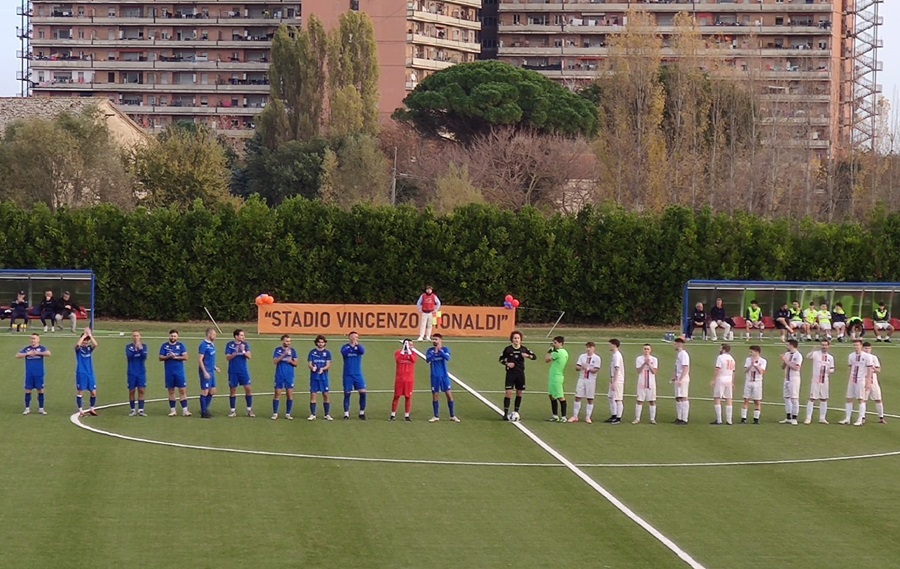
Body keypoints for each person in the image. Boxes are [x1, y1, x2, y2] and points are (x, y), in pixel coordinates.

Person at [499, 330, 536, 420]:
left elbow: (534, 357)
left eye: (518, 338)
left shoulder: (524, 349)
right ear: (512, 339)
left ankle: (516, 411)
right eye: (515, 338)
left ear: (520, 339)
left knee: (519, 392)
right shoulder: (508, 349)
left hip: (520, 374)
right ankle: (505, 413)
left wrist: (528, 356)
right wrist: (507, 364)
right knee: (508, 393)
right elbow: (501, 359)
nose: (516, 340)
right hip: (510, 374)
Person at [426, 333, 459, 423]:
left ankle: (452, 415)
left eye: (436, 339)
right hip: (435, 376)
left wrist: (440, 351)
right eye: (433, 339)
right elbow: (428, 359)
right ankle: (436, 416)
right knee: (435, 395)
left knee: (449, 394)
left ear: (441, 340)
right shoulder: (430, 350)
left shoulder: (445, 349)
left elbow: (447, 357)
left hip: (444, 376)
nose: (434, 341)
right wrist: (435, 352)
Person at [840, 339, 873, 426]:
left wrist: (868, 381)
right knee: (849, 398)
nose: (856, 347)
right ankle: (847, 418)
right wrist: (848, 378)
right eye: (854, 345)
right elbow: (850, 368)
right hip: (852, 380)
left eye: (857, 345)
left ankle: (860, 418)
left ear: (861, 346)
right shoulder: (851, 356)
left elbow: (869, 369)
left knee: (861, 399)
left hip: (861, 380)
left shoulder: (867, 356)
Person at [159, 329, 190, 417]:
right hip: (169, 372)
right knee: (171, 391)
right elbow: (160, 357)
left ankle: (185, 410)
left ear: (177, 337)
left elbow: (186, 357)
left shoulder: (181, 345)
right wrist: (169, 356)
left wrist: (176, 357)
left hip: (179, 372)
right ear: (169, 336)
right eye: (172, 336)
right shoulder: (164, 346)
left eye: (175, 336)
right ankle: (173, 410)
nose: (173, 337)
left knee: (182, 390)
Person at [17, 332, 50, 415]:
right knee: (28, 390)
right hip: (29, 374)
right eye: (31, 338)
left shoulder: (41, 348)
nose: (32, 340)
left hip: (39, 373)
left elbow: (48, 353)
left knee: (40, 390)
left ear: (38, 340)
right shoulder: (27, 349)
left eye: (34, 338)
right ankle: (27, 408)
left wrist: (38, 353)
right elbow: (17, 355)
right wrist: (27, 354)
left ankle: (41, 408)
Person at [225, 329, 254, 418]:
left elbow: (249, 356)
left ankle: (249, 410)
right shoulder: (230, 345)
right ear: (236, 336)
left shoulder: (245, 344)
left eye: (243, 335)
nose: (243, 337)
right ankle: (233, 411)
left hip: (243, 371)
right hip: (233, 371)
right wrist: (235, 353)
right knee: (233, 390)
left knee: (248, 389)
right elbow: (228, 358)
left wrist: (243, 351)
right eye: (241, 335)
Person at [804, 340, 835, 425]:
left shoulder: (830, 357)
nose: (824, 346)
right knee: (812, 398)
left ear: (828, 346)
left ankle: (822, 418)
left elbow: (832, 368)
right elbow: (808, 357)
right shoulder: (816, 354)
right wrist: (812, 350)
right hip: (815, 380)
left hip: (825, 380)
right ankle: (808, 417)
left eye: (825, 345)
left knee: (824, 399)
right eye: (822, 345)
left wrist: (829, 371)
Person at [570, 341, 601, 423]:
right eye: (587, 347)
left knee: (590, 398)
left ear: (593, 348)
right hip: (582, 379)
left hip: (591, 380)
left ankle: (588, 417)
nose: (588, 349)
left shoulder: (597, 358)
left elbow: (596, 370)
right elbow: (577, 367)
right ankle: (575, 416)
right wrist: (582, 367)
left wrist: (588, 368)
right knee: (578, 397)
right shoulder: (582, 356)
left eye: (590, 347)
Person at [340, 331, 367, 420]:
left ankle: (362, 413)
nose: (356, 338)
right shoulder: (345, 347)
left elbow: (362, 351)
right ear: (350, 337)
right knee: (347, 393)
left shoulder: (359, 347)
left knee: (363, 392)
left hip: (358, 374)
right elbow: (344, 353)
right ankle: (346, 414)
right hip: (347, 374)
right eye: (354, 337)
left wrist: (357, 345)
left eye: (357, 337)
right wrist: (351, 346)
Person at [272, 334, 298, 420]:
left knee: (289, 394)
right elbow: (275, 361)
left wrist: (290, 361)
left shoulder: (293, 351)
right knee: (277, 393)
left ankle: (288, 413)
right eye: (287, 341)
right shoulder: (278, 350)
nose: (288, 343)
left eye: (289, 341)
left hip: (289, 375)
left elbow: (296, 364)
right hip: (279, 374)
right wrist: (283, 355)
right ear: (283, 341)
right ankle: (275, 413)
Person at [307, 334, 333, 421]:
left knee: (325, 394)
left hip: (324, 377)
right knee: (313, 394)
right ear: (316, 343)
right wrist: (312, 368)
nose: (321, 344)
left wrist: (323, 369)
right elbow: (309, 364)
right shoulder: (312, 352)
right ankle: (313, 414)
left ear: (324, 343)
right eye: (319, 342)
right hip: (314, 377)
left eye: (322, 342)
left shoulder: (327, 353)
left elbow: (328, 364)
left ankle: (327, 414)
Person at [391, 339, 417, 421]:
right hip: (399, 380)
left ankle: (407, 415)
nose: (411, 346)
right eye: (409, 345)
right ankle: (393, 414)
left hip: (409, 380)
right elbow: (398, 359)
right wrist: (404, 350)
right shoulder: (398, 353)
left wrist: (409, 351)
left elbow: (413, 360)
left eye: (411, 345)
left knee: (408, 397)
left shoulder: (413, 354)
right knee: (396, 396)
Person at [740, 345, 767, 424]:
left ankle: (756, 419)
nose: (750, 353)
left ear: (757, 352)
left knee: (757, 401)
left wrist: (755, 365)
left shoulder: (763, 361)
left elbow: (761, 372)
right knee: (746, 399)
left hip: (757, 382)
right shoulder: (748, 360)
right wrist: (751, 365)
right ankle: (743, 418)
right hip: (748, 381)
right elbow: (745, 370)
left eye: (751, 352)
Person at [74, 327, 98, 417]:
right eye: (84, 340)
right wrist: (84, 335)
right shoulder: (78, 349)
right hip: (81, 372)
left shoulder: (89, 349)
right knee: (80, 391)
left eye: (87, 340)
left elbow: (95, 344)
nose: (86, 342)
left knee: (93, 392)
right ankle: (81, 411)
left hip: (90, 372)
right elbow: (77, 344)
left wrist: (90, 335)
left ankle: (92, 408)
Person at [544, 336, 569, 422]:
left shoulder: (558, 352)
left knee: (560, 396)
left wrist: (549, 351)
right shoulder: (565, 352)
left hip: (556, 377)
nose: (554, 344)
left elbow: (546, 360)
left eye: (555, 343)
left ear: (560, 343)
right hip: (555, 376)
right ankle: (555, 416)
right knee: (551, 395)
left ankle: (563, 416)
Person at [633, 344, 658, 425]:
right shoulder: (639, 359)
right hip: (642, 382)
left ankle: (652, 419)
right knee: (639, 400)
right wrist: (644, 363)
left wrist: (649, 364)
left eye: (647, 349)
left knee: (652, 401)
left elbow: (654, 372)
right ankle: (637, 418)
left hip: (651, 383)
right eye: (645, 349)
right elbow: (638, 371)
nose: (646, 350)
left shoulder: (654, 359)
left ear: (650, 350)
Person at [711, 344, 736, 425]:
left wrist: (714, 380)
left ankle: (719, 420)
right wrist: (732, 382)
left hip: (721, 378)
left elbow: (717, 369)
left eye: (721, 348)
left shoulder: (720, 357)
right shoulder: (732, 358)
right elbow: (733, 371)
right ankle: (729, 420)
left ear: (724, 350)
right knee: (728, 399)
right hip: (729, 379)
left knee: (717, 398)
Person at [779, 339, 802, 425]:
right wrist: (783, 361)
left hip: (794, 379)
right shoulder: (787, 354)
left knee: (794, 398)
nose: (787, 346)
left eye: (788, 345)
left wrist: (786, 361)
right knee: (786, 397)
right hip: (787, 379)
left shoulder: (798, 355)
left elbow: (796, 368)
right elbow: (783, 367)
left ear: (792, 345)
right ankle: (788, 416)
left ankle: (794, 417)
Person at [197, 328, 219, 419]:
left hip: (211, 371)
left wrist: (214, 367)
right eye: (214, 335)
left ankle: (205, 408)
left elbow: (209, 358)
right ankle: (203, 412)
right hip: (205, 371)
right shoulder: (203, 345)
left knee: (212, 391)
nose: (215, 336)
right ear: (209, 334)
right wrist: (205, 372)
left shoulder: (212, 344)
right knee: (205, 391)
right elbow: (200, 360)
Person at [125, 330, 148, 417]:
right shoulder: (128, 347)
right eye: (134, 336)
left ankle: (141, 409)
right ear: (132, 337)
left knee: (141, 390)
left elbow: (144, 356)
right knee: (132, 391)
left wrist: (140, 349)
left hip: (141, 372)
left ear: (140, 337)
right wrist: (135, 349)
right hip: (131, 372)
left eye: (137, 335)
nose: (136, 337)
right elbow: (129, 356)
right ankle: (132, 409)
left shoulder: (144, 346)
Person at [862, 342, 887, 424]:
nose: (867, 350)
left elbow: (878, 370)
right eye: (865, 348)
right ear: (862, 348)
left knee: (878, 399)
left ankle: (881, 417)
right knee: (863, 400)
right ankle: (862, 417)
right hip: (864, 380)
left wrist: (873, 368)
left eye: (869, 348)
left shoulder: (874, 358)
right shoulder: (861, 357)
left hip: (874, 381)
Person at [605, 339, 625, 424]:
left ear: (614, 345)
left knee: (618, 399)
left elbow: (617, 369)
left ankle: (618, 418)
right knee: (610, 397)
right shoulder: (614, 355)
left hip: (617, 379)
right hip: (613, 378)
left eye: (610, 344)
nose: (609, 346)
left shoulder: (617, 355)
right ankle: (614, 415)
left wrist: (615, 382)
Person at [672, 337, 691, 424]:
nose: (674, 345)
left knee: (683, 397)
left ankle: (684, 419)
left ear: (680, 344)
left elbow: (685, 367)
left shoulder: (684, 354)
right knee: (678, 397)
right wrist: (674, 376)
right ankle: (679, 417)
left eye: (675, 343)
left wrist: (681, 379)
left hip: (682, 379)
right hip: (678, 378)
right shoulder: (680, 354)